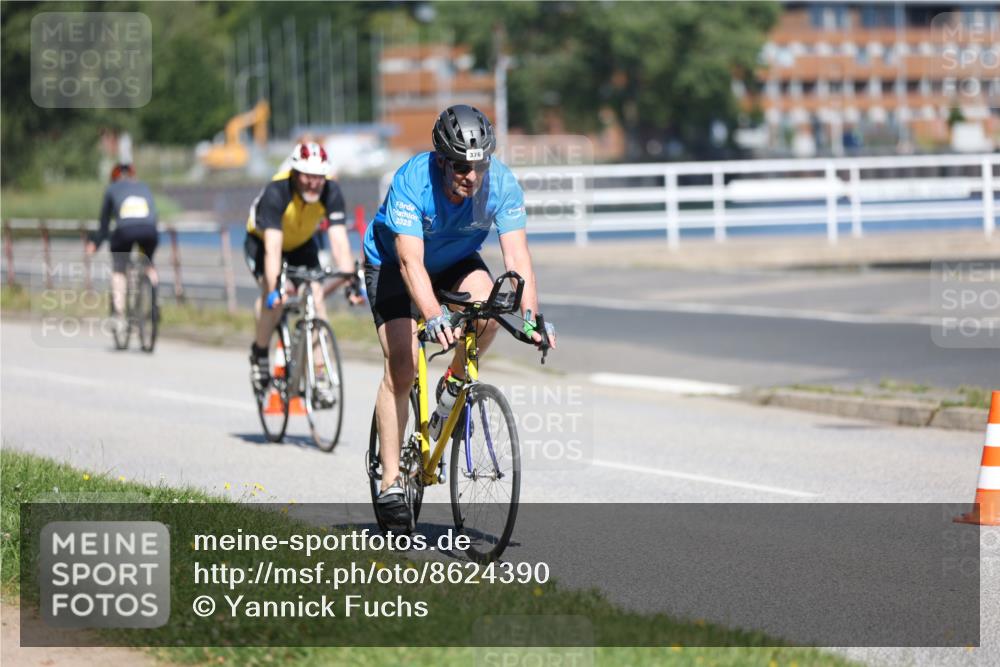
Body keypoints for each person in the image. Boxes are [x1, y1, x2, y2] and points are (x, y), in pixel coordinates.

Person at [363, 104, 556, 526]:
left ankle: (453, 382)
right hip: (395, 265)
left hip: (454, 259)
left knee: (489, 308)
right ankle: (391, 480)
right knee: (400, 363)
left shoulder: (501, 185)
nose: (471, 175)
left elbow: (518, 258)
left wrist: (531, 319)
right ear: (441, 160)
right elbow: (412, 264)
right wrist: (431, 315)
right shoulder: (413, 181)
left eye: (479, 164)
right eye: (461, 166)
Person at [244, 141, 363, 393]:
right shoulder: (277, 192)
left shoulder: (331, 191)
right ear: (295, 173)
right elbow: (273, 249)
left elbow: (339, 243)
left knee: (316, 297)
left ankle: (319, 373)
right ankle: (260, 353)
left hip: (301, 244)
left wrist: (350, 280)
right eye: (308, 176)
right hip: (263, 242)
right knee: (275, 296)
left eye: (319, 177)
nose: (313, 183)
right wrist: (276, 286)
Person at [86, 163, 159, 333]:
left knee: (119, 269)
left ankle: (118, 315)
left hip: (125, 232)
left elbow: (104, 226)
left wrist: (94, 244)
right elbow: (154, 216)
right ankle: (155, 301)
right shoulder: (143, 187)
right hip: (149, 231)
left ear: (114, 177)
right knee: (148, 263)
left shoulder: (112, 189)